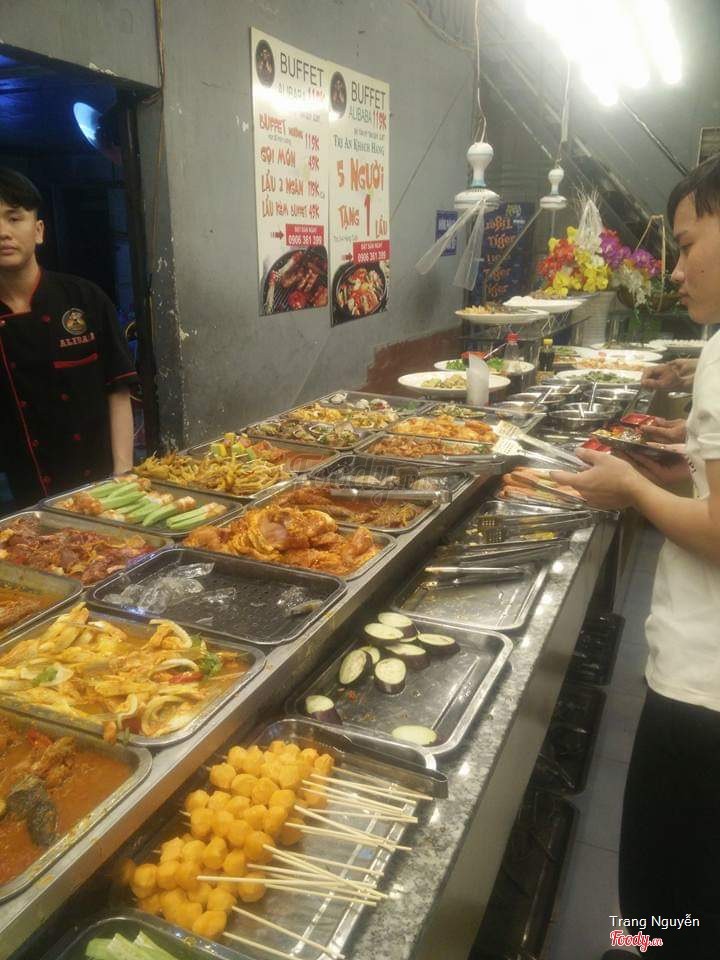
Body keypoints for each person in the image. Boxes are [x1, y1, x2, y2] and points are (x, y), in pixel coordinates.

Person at [551, 155, 720, 959]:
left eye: (686, 245)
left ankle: (649, 947)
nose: (675, 270)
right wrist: (680, 465)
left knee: (658, 892)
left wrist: (632, 487)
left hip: (701, 686)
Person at [0, 168, 137, 510]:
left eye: (14, 218)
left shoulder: (85, 299)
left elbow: (118, 390)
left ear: (38, 231)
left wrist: (123, 473)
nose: (3, 232)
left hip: (104, 489)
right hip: (23, 495)